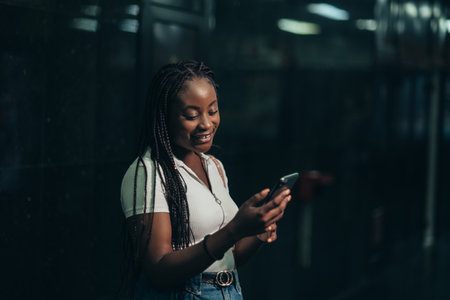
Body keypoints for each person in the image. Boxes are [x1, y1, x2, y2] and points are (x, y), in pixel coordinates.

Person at [120, 60, 291, 299]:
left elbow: (229, 258)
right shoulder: (148, 171)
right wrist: (234, 230)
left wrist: (258, 232)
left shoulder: (214, 166)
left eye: (212, 111)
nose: (206, 124)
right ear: (164, 117)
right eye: (191, 115)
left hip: (229, 291)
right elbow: (158, 271)